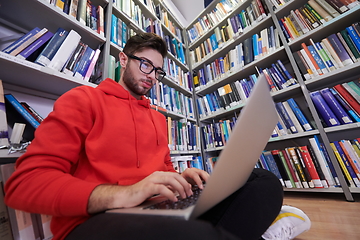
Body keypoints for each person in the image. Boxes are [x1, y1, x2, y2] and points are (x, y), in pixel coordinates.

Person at [4, 32, 310, 240]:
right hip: (93, 221)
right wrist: (123, 193)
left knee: (263, 181)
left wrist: (182, 177)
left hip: (157, 208)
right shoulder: (83, 100)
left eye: (158, 71)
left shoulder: (157, 118)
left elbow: (160, 172)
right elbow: (24, 184)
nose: (151, 75)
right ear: (123, 60)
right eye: (145, 64)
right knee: (195, 234)